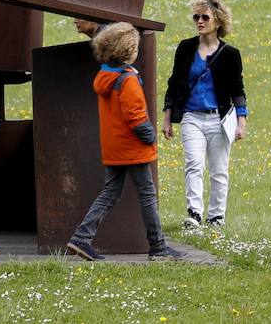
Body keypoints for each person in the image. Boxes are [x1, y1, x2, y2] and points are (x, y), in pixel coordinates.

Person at [66, 23, 185, 262]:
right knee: (147, 195)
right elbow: (136, 116)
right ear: (128, 50)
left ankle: (81, 238)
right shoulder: (127, 79)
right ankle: (158, 249)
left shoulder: (106, 75)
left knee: (110, 192)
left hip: (114, 147)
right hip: (133, 149)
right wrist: (149, 137)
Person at [161, 0, 247, 229]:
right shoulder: (186, 48)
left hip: (219, 119)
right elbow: (174, 83)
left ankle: (217, 216)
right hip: (191, 117)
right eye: (196, 17)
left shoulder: (230, 54)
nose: (199, 21)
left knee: (219, 171)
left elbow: (237, 89)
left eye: (205, 17)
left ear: (218, 22)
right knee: (194, 164)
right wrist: (167, 118)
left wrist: (241, 121)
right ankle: (194, 214)